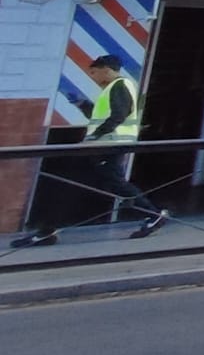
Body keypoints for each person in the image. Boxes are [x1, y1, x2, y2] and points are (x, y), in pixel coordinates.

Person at [12, 55, 167, 248]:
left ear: (107, 69)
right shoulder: (115, 88)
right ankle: (152, 214)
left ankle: (153, 215)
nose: (93, 77)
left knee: (71, 183)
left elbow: (119, 115)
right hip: (107, 144)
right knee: (101, 183)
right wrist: (83, 105)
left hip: (106, 144)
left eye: (94, 72)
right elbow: (104, 116)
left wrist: (94, 138)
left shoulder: (120, 85)